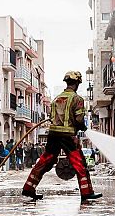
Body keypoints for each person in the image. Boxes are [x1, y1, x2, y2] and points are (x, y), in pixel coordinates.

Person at [23, 71, 101, 203]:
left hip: (53, 135)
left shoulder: (56, 99)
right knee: (79, 164)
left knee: (45, 161)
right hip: (68, 136)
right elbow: (79, 119)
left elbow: (53, 118)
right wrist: (82, 127)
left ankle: (28, 188)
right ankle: (87, 193)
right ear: (77, 84)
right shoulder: (77, 99)